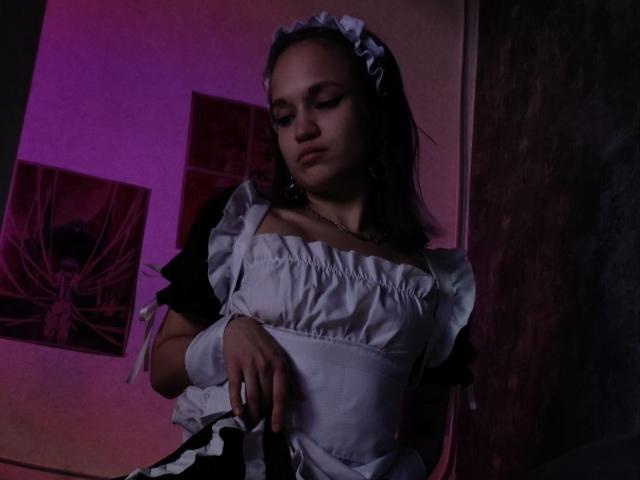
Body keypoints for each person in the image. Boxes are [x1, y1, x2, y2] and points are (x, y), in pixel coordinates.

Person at [120, 11, 476, 480]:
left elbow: (427, 433)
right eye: (284, 117)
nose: (302, 129)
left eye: (324, 102)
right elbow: (164, 371)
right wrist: (227, 335)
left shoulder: (437, 286)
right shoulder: (244, 227)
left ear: (375, 109)